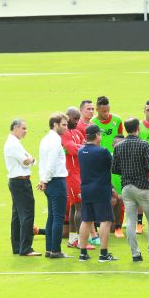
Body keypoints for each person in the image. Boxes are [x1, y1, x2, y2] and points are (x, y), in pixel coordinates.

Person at [112, 117, 149, 262]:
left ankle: (135, 254)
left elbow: (115, 169)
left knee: (130, 221)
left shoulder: (118, 146)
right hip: (142, 186)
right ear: (138, 128)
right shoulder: (144, 145)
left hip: (126, 187)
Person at [77, 125, 118, 262]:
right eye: (99, 134)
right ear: (96, 136)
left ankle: (82, 253)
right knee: (106, 220)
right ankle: (103, 254)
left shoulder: (81, 152)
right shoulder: (103, 152)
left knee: (86, 220)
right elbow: (114, 167)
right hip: (101, 190)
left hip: (86, 189)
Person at [4, 118, 41, 257]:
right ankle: (26, 248)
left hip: (16, 181)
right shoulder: (13, 144)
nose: (26, 131)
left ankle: (18, 246)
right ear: (15, 128)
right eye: (23, 128)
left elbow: (29, 159)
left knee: (17, 215)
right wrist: (31, 160)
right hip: (21, 182)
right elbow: (27, 160)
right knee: (27, 214)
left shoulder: (14, 143)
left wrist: (30, 160)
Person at [38, 112, 71, 259]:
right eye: (63, 125)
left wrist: (43, 179)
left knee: (51, 216)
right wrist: (45, 179)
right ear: (55, 125)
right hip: (56, 180)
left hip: (49, 181)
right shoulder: (55, 141)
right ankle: (56, 250)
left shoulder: (45, 139)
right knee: (58, 217)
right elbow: (51, 163)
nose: (66, 128)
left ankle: (49, 249)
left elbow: (42, 163)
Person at [63, 107, 91, 250]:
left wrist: (80, 146)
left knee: (75, 207)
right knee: (80, 206)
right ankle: (81, 241)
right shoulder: (65, 134)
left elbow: (84, 147)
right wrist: (81, 146)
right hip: (71, 175)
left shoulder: (77, 132)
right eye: (75, 118)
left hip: (79, 173)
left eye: (78, 118)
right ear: (67, 117)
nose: (77, 121)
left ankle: (73, 239)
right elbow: (74, 150)